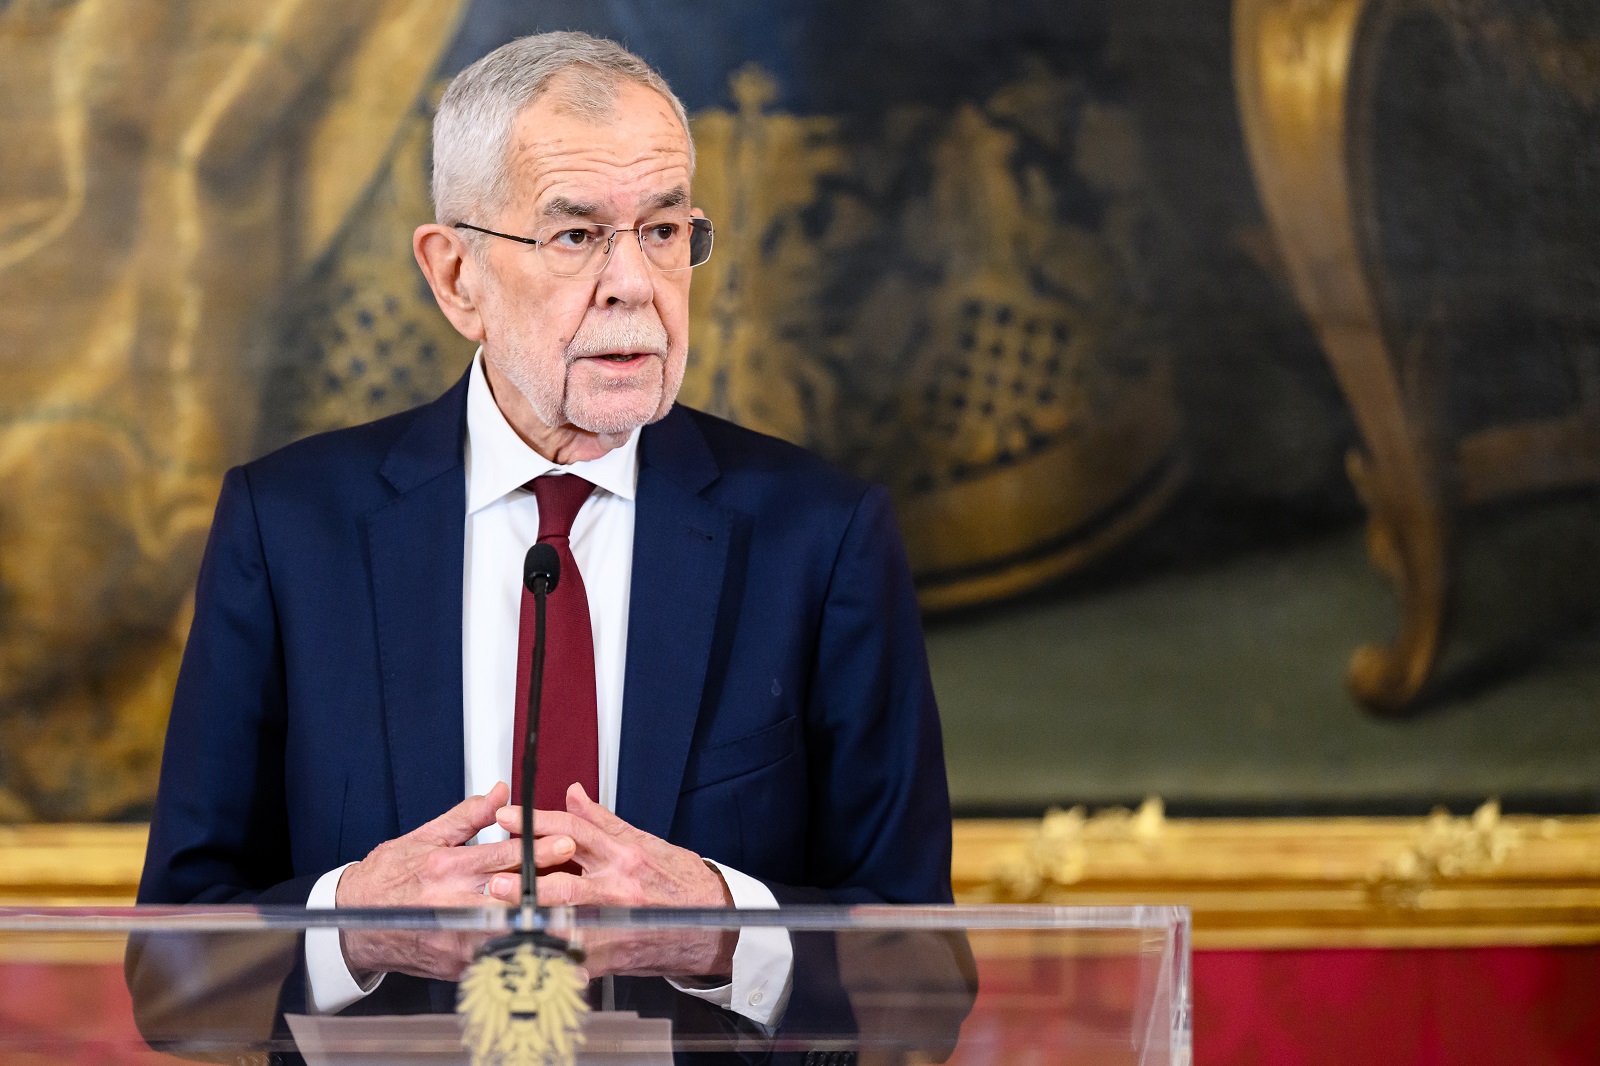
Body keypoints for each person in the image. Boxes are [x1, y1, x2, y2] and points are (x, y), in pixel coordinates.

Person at [136, 31, 952, 1027]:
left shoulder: (820, 538)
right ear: (455, 276)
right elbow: (170, 979)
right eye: (575, 236)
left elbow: (928, 988)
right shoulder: (293, 530)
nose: (634, 283)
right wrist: (354, 926)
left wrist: (724, 931)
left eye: (662, 230)